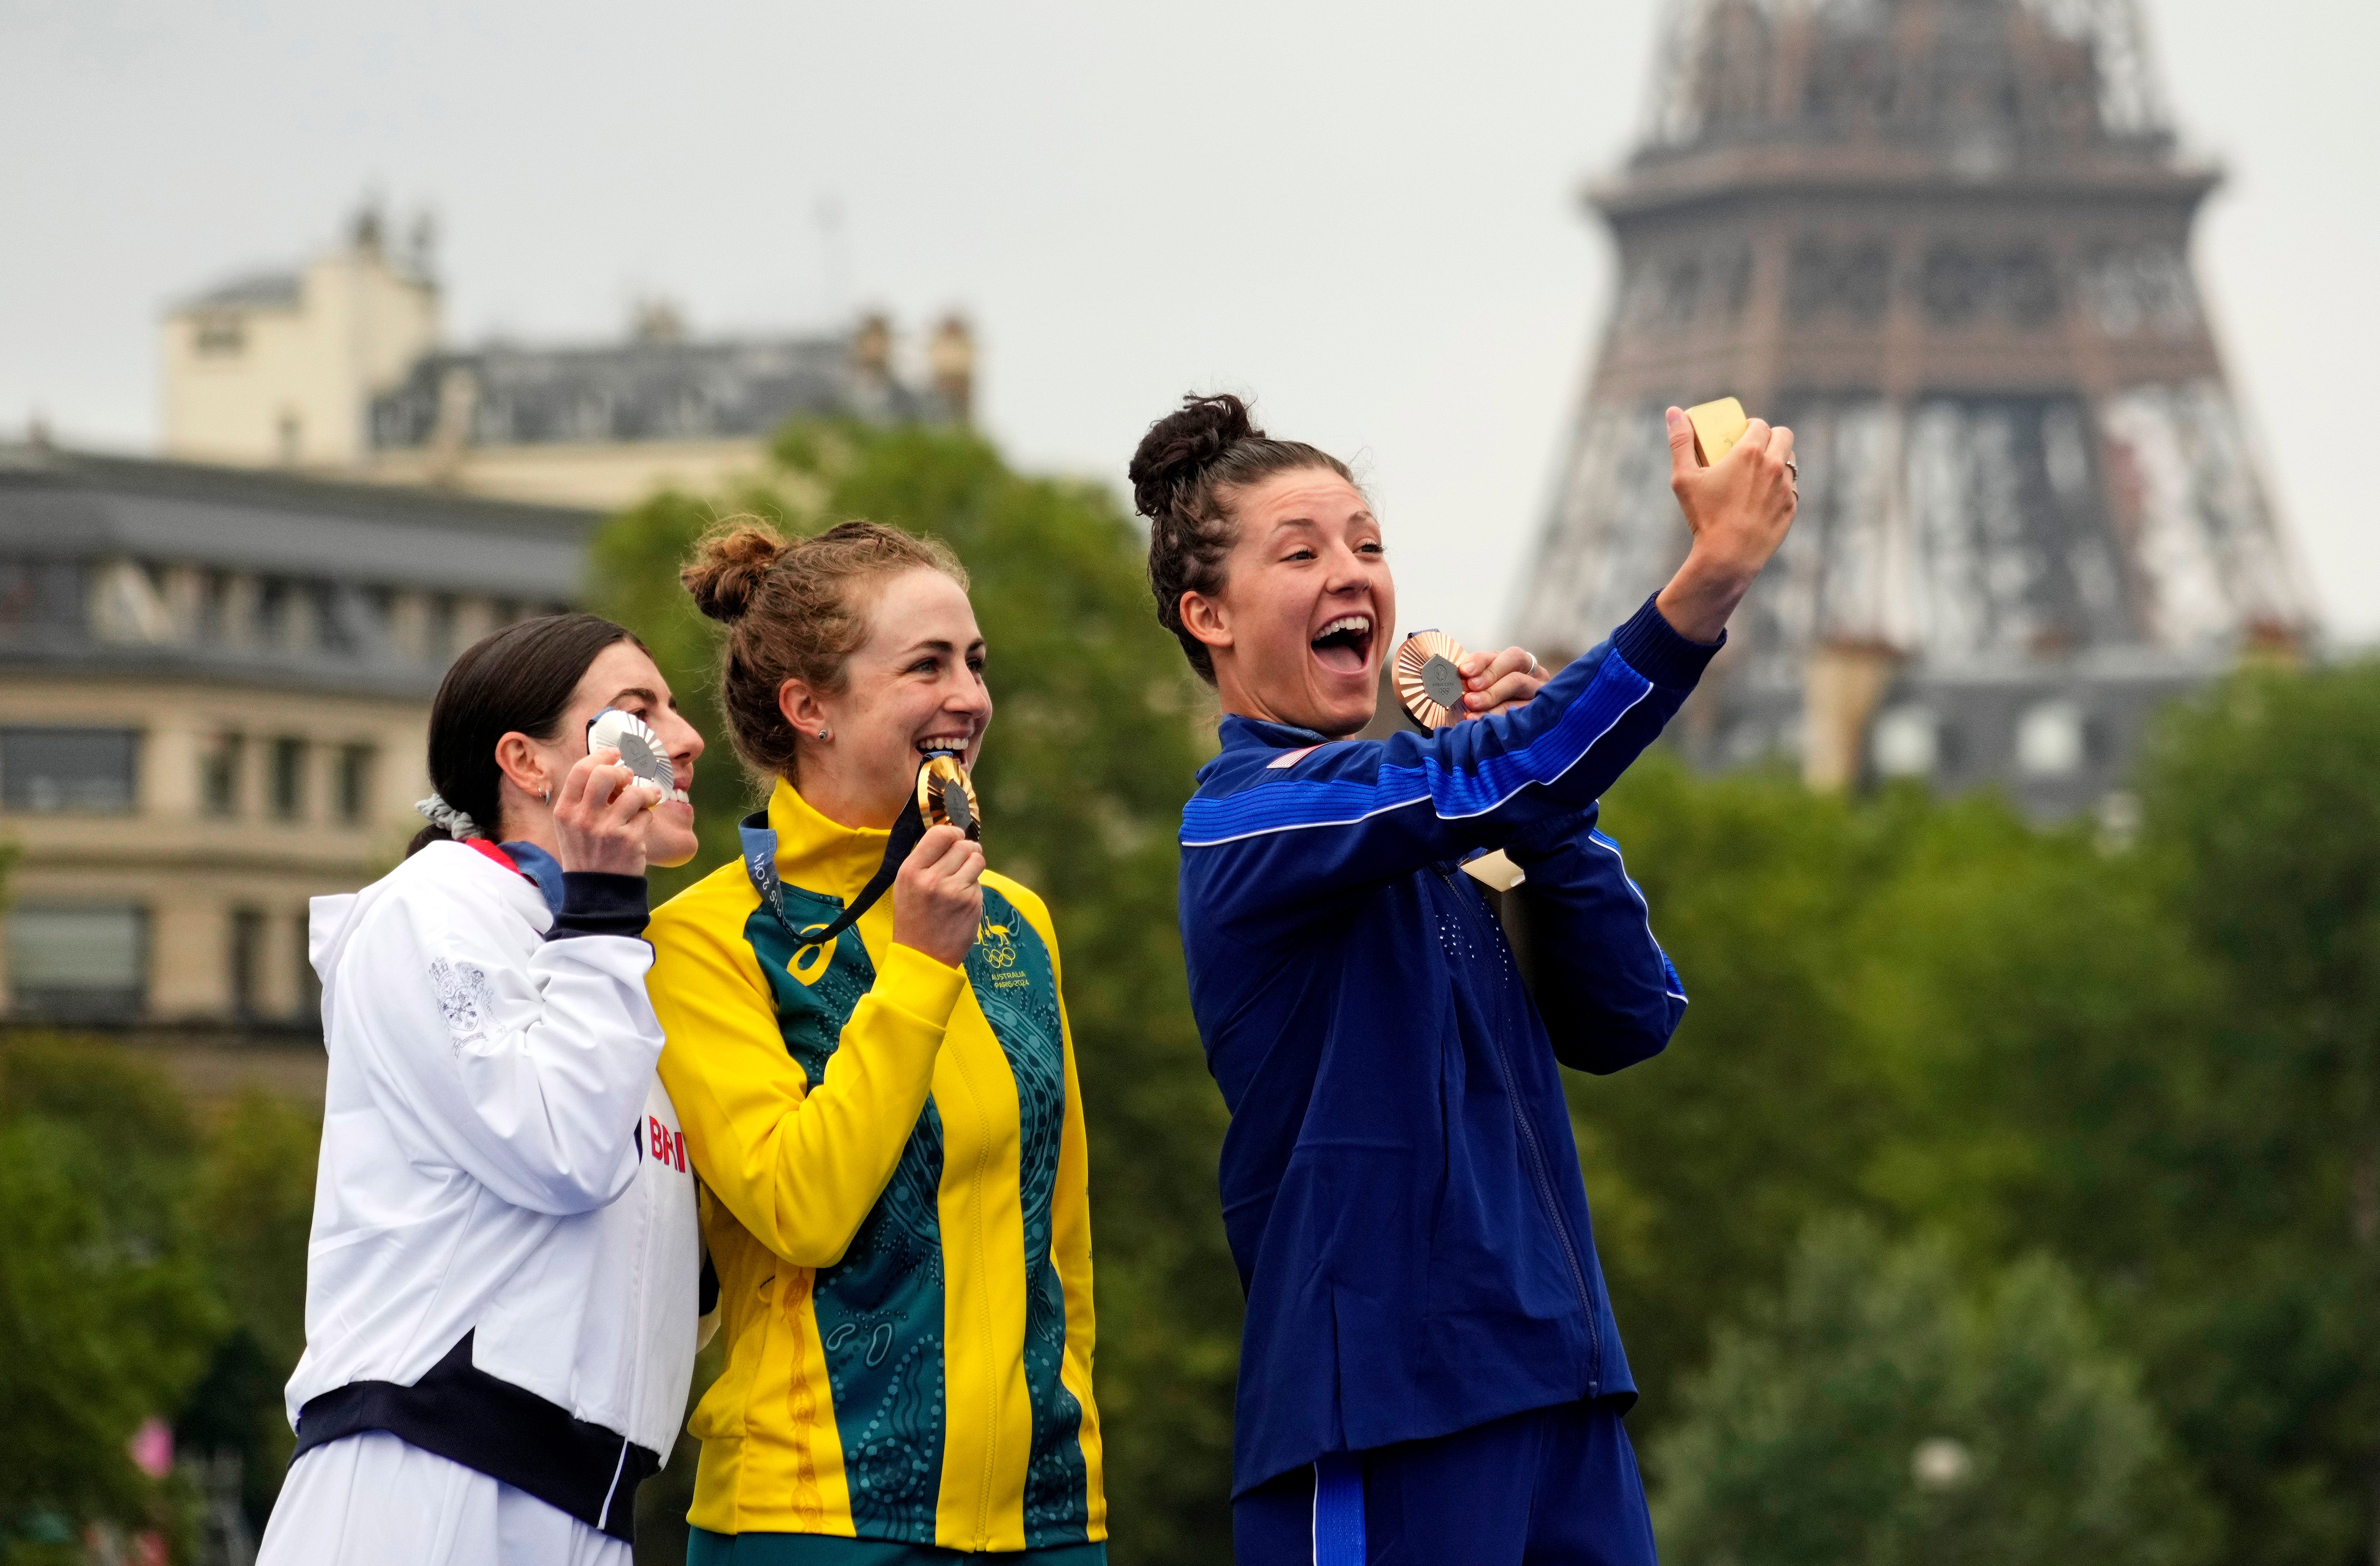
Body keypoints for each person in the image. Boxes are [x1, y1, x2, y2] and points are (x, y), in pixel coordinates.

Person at [1127, 393, 1798, 1565]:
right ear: (1209, 614)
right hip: (1388, 1405)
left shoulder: (1434, 814)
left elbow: (1632, 1013)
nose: (1354, 571)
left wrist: (1547, 813)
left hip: (1562, 1384)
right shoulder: (1246, 820)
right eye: (1303, 551)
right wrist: (1706, 584)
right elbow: (1482, 779)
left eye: (1369, 544)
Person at [645, 519, 1106, 1566]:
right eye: (928, 665)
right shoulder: (706, 939)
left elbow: (1062, 1243)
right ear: (810, 707)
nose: (971, 697)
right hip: (813, 1522)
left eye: (977, 663)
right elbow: (800, 1205)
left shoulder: (1017, 923)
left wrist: (1076, 1480)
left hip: (1046, 1520)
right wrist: (918, 970)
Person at [259, 613, 711, 1565]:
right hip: (429, 1478)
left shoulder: (610, 953)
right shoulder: (430, 910)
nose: (686, 738)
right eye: (638, 712)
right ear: (528, 762)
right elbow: (562, 1154)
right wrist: (601, 916)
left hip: (586, 1503)